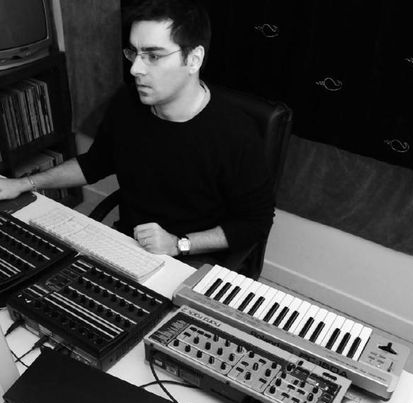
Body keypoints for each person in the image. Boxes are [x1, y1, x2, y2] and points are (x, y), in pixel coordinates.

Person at [0, 0, 274, 270]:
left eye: (153, 56)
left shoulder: (236, 134)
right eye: (134, 53)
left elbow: (256, 222)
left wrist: (178, 244)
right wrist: (23, 184)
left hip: (193, 256)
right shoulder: (127, 103)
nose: (135, 69)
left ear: (193, 59)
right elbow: (94, 164)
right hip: (129, 244)